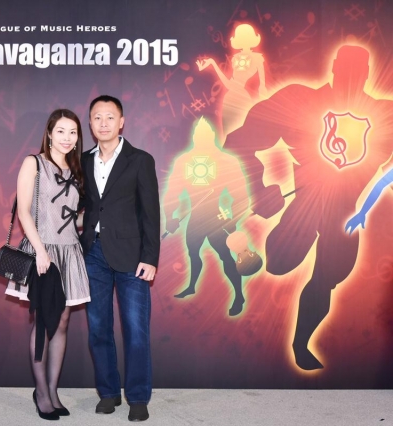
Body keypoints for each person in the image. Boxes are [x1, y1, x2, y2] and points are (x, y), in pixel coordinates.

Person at [225, 45, 393, 370]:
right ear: (334, 68)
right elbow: (238, 142)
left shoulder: (385, 115)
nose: (351, 77)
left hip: (343, 215)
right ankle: (249, 256)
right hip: (304, 206)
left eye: (358, 70)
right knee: (278, 264)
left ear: (366, 74)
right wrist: (259, 189)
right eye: (346, 68)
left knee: (328, 278)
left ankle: (300, 344)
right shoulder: (300, 100)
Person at [5, 109, 90, 420]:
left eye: (73, 132)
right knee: (43, 322)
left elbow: (73, 217)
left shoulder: (77, 170)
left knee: (62, 322)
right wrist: (40, 251)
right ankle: (41, 392)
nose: (67, 138)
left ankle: (53, 390)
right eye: (61, 131)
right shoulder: (34, 163)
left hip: (70, 252)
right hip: (43, 252)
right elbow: (24, 211)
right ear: (50, 133)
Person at [80, 95, 160, 422]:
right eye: (97, 117)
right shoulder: (83, 160)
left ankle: (138, 397)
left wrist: (150, 257)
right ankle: (109, 393)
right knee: (98, 328)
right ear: (90, 123)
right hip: (93, 254)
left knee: (135, 329)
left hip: (133, 257)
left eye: (110, 117)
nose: (103, 123)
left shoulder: (140, 160)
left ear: (121, 122)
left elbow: (151, 213)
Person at [163, 117, 250, 316]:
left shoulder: (226, 161)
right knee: (193, 253)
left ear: (212, 136)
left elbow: (241, 195)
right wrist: (170, 217)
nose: (202, 139)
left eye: (206, 135)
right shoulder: (184, 162)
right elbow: (173, 193)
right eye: (198, 135)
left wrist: (233, 219)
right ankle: (192, 286)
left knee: (225, 256)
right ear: (194, 137)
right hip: (195, 218)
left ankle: (239, 295)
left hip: (217, 219)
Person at [197, 23, 267, 137]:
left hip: (242, 99)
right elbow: (230, 84)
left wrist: (263, 100)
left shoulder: (257, 58)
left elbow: (262, 86)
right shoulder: (236, 58)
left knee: (244, 133)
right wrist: (212, 63)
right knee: (229, 134)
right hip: (230, 99)